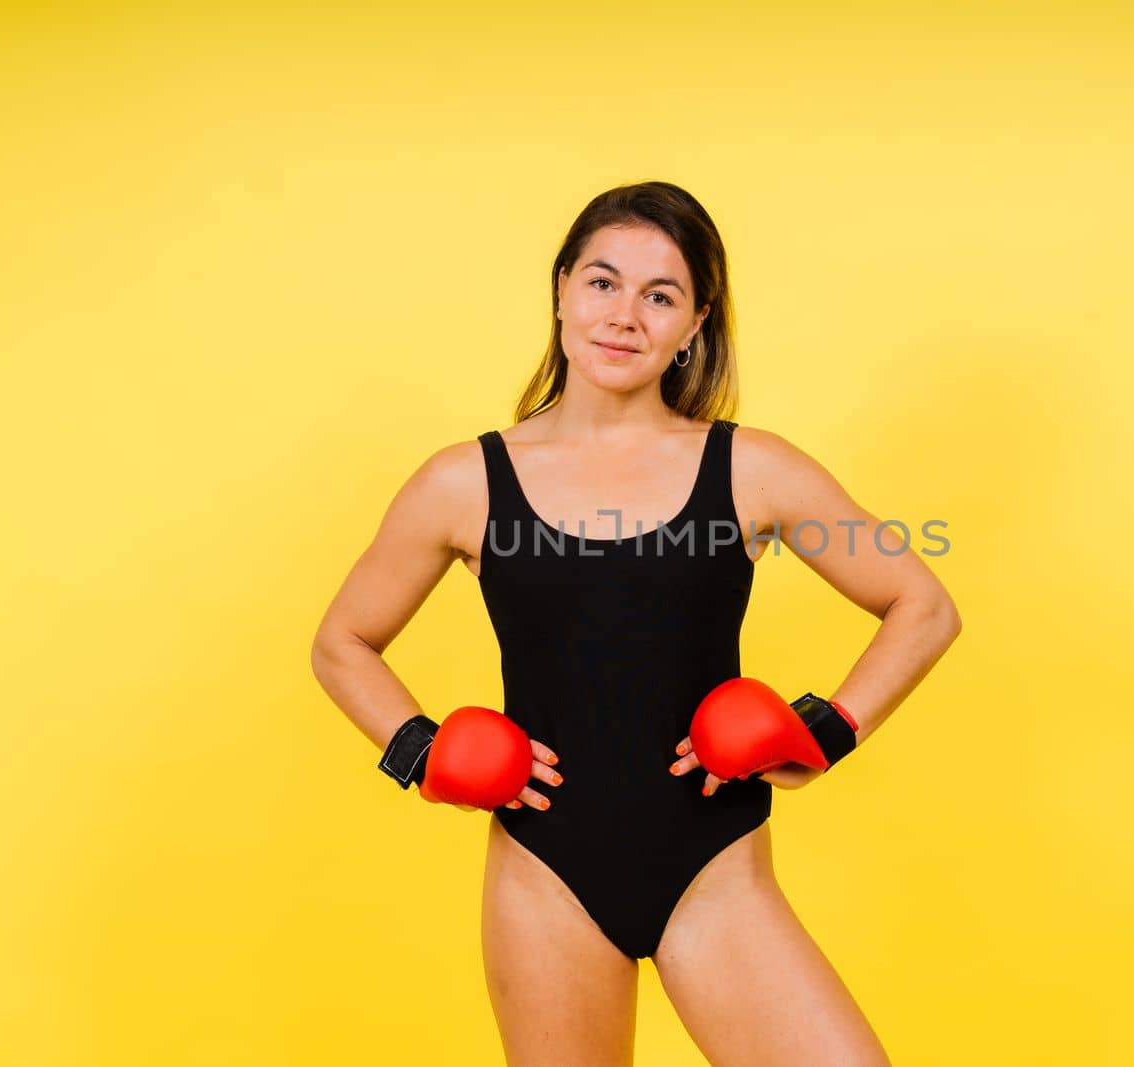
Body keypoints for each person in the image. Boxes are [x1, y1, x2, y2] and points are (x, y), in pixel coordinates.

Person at [311, 181, 962, 1066]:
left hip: (715, 866)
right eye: (603, 283)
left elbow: (922, 605)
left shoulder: (751, 470)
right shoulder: (463, 484)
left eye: (660, 296)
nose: (625, 316)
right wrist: (420, 750)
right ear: (562, 291)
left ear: (695, 323)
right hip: (547, 876)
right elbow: (342, 642)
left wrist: (825, 731)